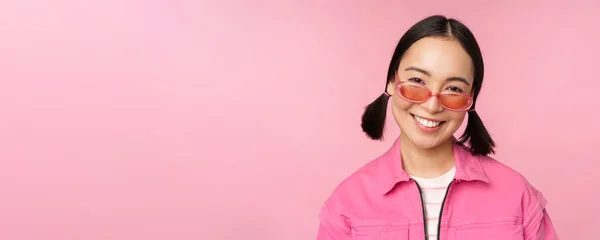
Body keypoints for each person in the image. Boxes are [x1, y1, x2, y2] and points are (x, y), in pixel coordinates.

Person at [316, 15, 558, 240]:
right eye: (417, 81)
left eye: (453, 89)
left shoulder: (517, 196)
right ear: (391, 81)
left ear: (470, 98)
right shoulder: (346, 204)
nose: (432, 105)